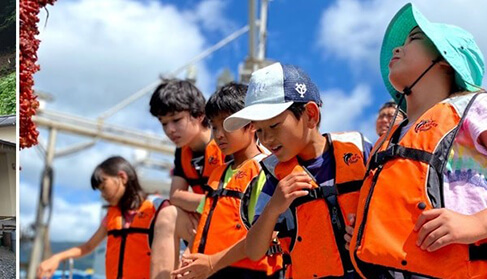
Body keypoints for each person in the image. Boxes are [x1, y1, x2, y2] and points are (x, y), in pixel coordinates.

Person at [349, 3, 487, 278]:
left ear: (445, 59)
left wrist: (477, 224)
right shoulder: (387, 141)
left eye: (413, 40)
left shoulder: (476, 107)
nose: (396, 49)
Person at [176, 62, 372, 279]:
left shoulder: (359, 150)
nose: (267, 139)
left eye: (274, 126)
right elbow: (255, 249)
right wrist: (273, 207)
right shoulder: (274, 177)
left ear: (311, 114)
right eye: (259, 130)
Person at [178, 82, 284, 278]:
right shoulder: (217, 173)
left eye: (227, 124)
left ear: (251, 124)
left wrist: (212, 262)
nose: (218, 135)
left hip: (249, 273)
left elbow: (267, 234)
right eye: (214, 126)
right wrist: (187, 260)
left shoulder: (267, 170)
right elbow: (204, 225)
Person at [148, 79, 232, 278]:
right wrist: (207, 206)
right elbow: (175, 196)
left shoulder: (225, 142)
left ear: (199, 114)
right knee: (168, 214)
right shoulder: (182, 153)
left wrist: (206, 208)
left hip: (231, 225)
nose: (169, 130)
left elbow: (232, 202)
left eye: (176, 120)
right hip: (202, 222)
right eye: (164, 123)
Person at [36, 156, 167, 279]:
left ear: (122, 177)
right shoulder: (111, 215)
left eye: (104, 187)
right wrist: (57, 257)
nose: (103, 195)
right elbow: (88, 247)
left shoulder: (156, 207)